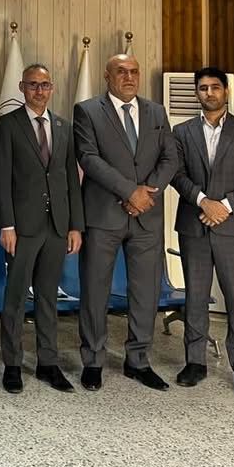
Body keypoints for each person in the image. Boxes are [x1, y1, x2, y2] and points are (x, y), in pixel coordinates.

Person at [73, 53, 178, 392]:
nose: (129, 77)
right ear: (107, 76)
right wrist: (129, 191)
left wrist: (146, 193)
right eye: (121, 71)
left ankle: (138, 361)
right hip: (104, 215)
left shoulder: (156, 112)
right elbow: (89, 158)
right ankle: (93, 361)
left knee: (145, 292)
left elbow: (170, 158)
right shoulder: (88, 111)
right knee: (95, 291)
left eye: (134, 71)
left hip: (147, 216)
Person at [171, 67, 234, 397]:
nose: (209, 93)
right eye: (203, 88)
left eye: (215, 87)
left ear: (226, 91)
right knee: (195, 296)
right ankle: (195, 362)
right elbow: (176, 174)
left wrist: (223, 206)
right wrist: (203, 201)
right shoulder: (181, 131)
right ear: (196, 93)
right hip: (194, 225)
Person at [0, 63, 83, 394]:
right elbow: (1, 178)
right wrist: (6, 224)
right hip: (22, 227)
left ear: (52, 88)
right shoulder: (7, 125)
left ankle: (48, 363)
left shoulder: (64, 127)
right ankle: (13, 364)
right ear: (22, 87)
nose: (39, 91)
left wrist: (75, 225)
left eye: (44, 85)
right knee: (16, 298)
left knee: (48, 297)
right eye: (32, 85)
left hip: (57, 226)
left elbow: (71, 179)